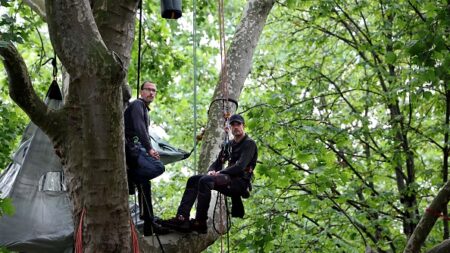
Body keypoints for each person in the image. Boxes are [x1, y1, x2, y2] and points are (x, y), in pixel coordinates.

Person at [159, 114, 258, 234]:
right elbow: (217, 162)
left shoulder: (249, 144)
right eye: (233, 125)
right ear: (230, 127)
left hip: (239, 183)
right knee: (194, 180)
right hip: (227, 178)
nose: (236, 127)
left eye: (238, 124)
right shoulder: (229, 145)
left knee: (206, 181)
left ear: (243, 126)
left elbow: (240, 167)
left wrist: (219, 173)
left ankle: (200, 222)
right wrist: (211, 170)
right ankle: (181, 218)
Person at [124, 81, 166, 236]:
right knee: (158, 167)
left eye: (154, 90)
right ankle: (131, 176)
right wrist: (149, 148)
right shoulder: (137, 105)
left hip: (134, 149)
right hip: (131, 149)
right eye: (148, 89)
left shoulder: (143, 109)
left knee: (144, 182)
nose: (152, 93)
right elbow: (139, 128)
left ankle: (149, 223)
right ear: (141, 92)